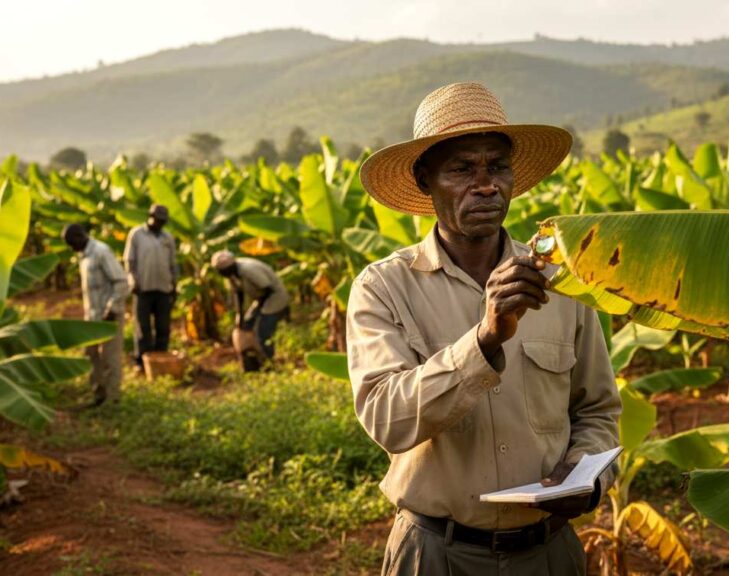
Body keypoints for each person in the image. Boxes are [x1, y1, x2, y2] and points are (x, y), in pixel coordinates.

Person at [347, 82, 622, 575]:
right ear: (424, 180)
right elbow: (385, 418)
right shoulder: (383, 288)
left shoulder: (561, 282)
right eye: (461, 169)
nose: (486, 184)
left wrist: (586, 476)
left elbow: (598, 409)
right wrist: (484, 340)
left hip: (549, 552)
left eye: (497, 166)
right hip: (436, 552)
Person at [63, 223, 128, 407]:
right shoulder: (83, 256)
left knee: (110, 358)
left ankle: (113, 399)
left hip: (109, 316)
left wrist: (112, 308)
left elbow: (121, 282)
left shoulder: (101, 251)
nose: (70, 247)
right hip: (92, 317)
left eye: (70, 242)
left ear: (79, 236)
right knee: (91, 356)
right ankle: (99, 394)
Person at [210, 250, 290, 369]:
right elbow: (239, 294)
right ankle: (251, 359)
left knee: (263, 331)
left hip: (274, 297)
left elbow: (267, 288)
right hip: (261, 299)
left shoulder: (248, 270)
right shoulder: (232, 275)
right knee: (246, 324)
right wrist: (240, 316)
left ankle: (269, 361)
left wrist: (260, 311)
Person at [124, 204, 178, 370]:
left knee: (163, 325)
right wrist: (132, 280)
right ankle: (141, 359)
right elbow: (129, 260)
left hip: (163, 288)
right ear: (150, 216)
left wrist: (174, 286)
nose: (160, 223)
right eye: (157, 220)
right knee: (143, 326)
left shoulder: (168, 237)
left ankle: (160, 358)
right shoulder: (137, 234)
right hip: (143, 288)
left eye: (163, 221)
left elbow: (173, 263)